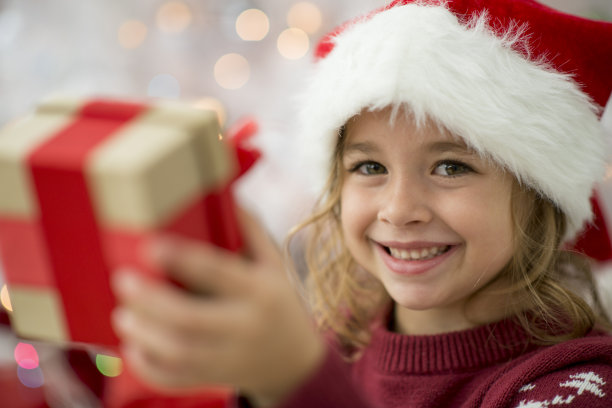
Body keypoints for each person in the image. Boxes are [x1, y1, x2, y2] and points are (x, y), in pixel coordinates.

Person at [110, 0, 612, 407]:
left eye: (451, 167)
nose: (399, 209)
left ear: (537, 195)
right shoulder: (346, 342)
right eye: (370, 168)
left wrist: (296, 380)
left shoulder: (574, 388)